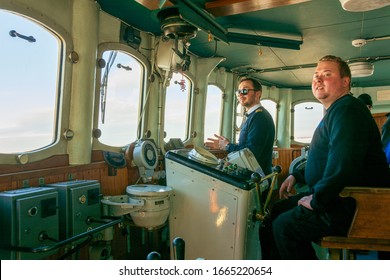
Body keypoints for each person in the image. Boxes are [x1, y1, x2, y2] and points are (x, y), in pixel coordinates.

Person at [267, 55, 390, 259]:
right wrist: (297, 176)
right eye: (316, 75)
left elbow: (344, 163)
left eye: (327, 74)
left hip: (352, 205)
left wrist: (317, 200)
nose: (318, 79)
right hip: (340, 198)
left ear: (345, 82)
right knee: (278, 211)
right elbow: (325, 158)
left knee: (283, 227)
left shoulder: (348, 110)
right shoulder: (337, 111)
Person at [204, 77, 275, 175]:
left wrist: (227, 146)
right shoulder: (253, 115)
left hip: (256, 178)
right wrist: (227, 145)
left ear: (257, 94)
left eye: (245, 90)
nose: (240, 94)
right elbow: (247, 146)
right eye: (239, 91)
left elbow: (251, 153)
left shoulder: (260, 117)